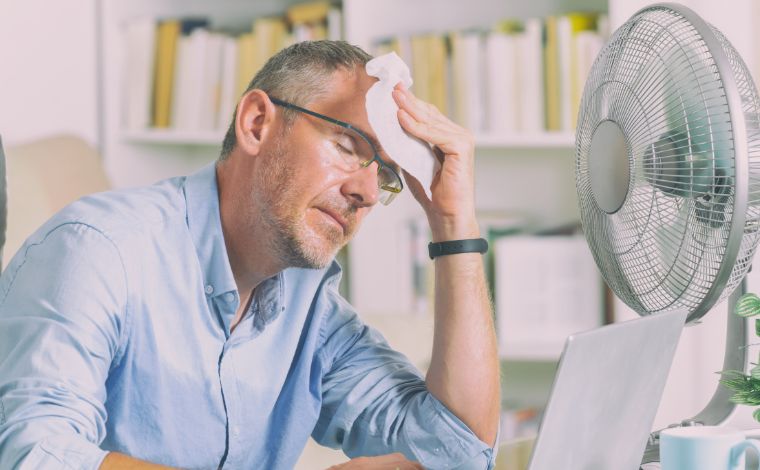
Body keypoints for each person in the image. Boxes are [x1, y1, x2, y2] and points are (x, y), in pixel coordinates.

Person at [0, 40, 499, 469]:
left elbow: (455, 452)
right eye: (349, 146)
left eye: (387, 176)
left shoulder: (312, 311)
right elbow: (34, 456)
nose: (368, 193)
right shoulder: (97, 249)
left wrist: (454, 224)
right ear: (257, 123)